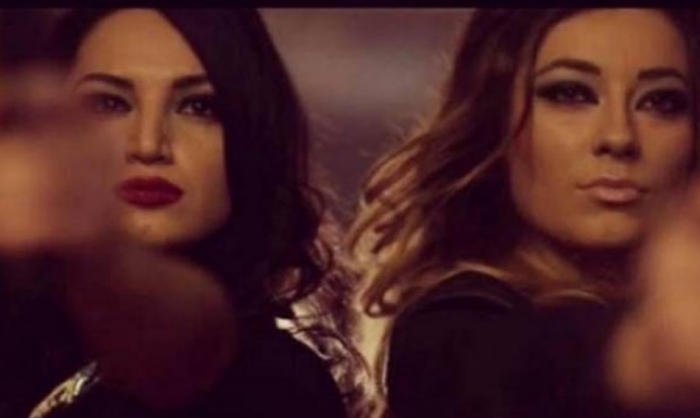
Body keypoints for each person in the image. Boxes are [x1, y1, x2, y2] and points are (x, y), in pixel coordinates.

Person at [348, 8, 699, 418]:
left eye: (661, 101)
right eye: (570, 94)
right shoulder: (457, 326)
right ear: (496, 123)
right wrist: (641, 361)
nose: (619, 137)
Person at [27, 8, 356, 418]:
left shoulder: (273, 385)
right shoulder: (29, 341)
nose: (148, 145)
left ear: (252, 138)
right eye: (109, 103)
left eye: (198, 106)